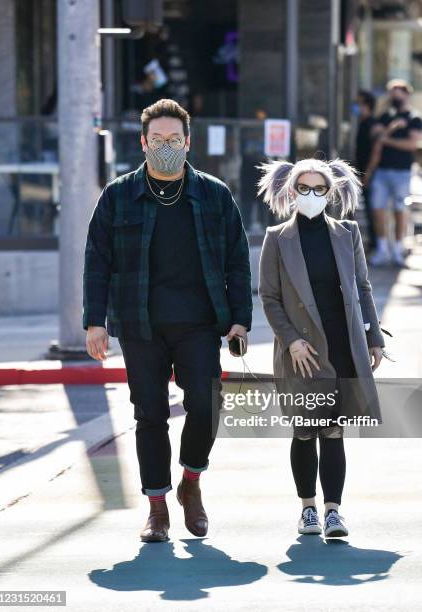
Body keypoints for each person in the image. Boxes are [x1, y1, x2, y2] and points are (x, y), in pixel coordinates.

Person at [83, 98, 252, 543]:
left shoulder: (214, 195)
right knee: (150, 414)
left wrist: (240, 320)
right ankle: (157, 507)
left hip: (199, 323)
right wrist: (93, 321)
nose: (164, 147)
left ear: (188, 143)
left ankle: (190, 483)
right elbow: (97, 260)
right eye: (156, 139)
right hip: (140, 323)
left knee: (206, 402)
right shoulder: (118, 195)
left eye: (173, 140)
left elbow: (237, 260)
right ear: (142, 143)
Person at [257, 156, 386, 538]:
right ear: (291, 191)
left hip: (342, 344)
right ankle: (307, 509)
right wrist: (291, 340)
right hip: (302, 350)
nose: (311, 195)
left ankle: (333, 512)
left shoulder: (347, 233)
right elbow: (269, 297)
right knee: (303, 429)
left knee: (332, 430)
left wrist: (374, 337)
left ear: (330, 192)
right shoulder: (276, 238)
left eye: (319, 188)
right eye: (303, 188)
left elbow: (362, 287)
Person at [365, 79, 422, 266]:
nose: (395, 97)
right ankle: (383, 250)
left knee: (401, 211)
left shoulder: (414, 118)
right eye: (392, 93)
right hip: (382, 172)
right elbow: (376, 140)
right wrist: (392, 129)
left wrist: (386, 139)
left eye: (399, 93)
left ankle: (398, 250)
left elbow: (411, 145)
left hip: (402, 173)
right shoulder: (385, 117)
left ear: (407, 94)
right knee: (378, 210)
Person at [353, 90, 378, 252]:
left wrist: (368, 174)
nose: (355, 107)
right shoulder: (362, 123)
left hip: (368, 175)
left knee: (371, 209)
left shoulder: (372, 124)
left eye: (358, 103)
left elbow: (376, 152)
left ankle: (374, 244)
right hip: (359, 172)